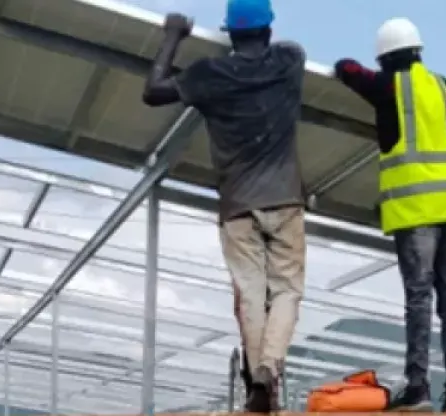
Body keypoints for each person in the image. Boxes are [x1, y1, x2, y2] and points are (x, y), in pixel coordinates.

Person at [140, 0, 308, 412]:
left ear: (229, 34)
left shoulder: (210, 75)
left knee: (250, 295)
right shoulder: (289, 61)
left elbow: (153, 91)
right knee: (286, 290)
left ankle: (258, 386)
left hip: (237, 205)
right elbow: (290, 47)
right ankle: (269, 368)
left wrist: (173, 36)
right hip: (285, 199)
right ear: (267, 31)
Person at [331, 17, 446, 414]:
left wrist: (346, 67)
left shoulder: (390, 85)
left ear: (386, 57)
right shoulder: (443, 88)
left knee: (418, 300)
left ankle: (419, 388)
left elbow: (348, 70)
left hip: (416, 212)